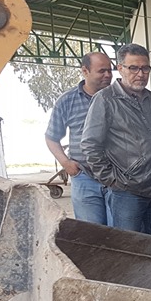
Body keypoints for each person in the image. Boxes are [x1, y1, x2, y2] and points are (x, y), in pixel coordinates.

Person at [81, 43, 151, 238]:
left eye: (145, 68)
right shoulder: (105, 100)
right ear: (120, 68)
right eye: (133, 68)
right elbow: (90, 145)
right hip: (127, 192)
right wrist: (113, 181)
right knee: (131, 248)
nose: (141, 74)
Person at [44, 51, 114, 224]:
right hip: (84, 179)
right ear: (85, 70)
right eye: (102, 71)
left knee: (121, 234)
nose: (108, 75)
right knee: (92, 233)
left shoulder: (119, 99)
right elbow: (51, 137)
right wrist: (66, 163)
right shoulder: (67, 101)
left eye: (110, 71)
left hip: (117, 179)